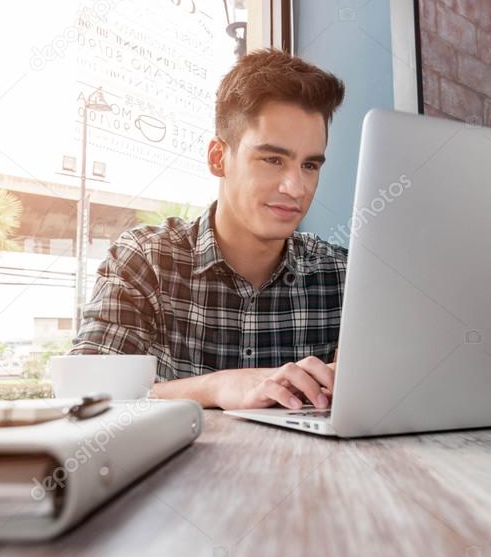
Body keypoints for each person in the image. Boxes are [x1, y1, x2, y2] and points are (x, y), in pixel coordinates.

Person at [70, 48, 347, 411]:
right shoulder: (146, 260)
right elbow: (83, 398)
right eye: (272, 160)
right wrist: (216, 387)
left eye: (310, 165)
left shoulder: (343, 275)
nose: (296, 187)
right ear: (219, 158)